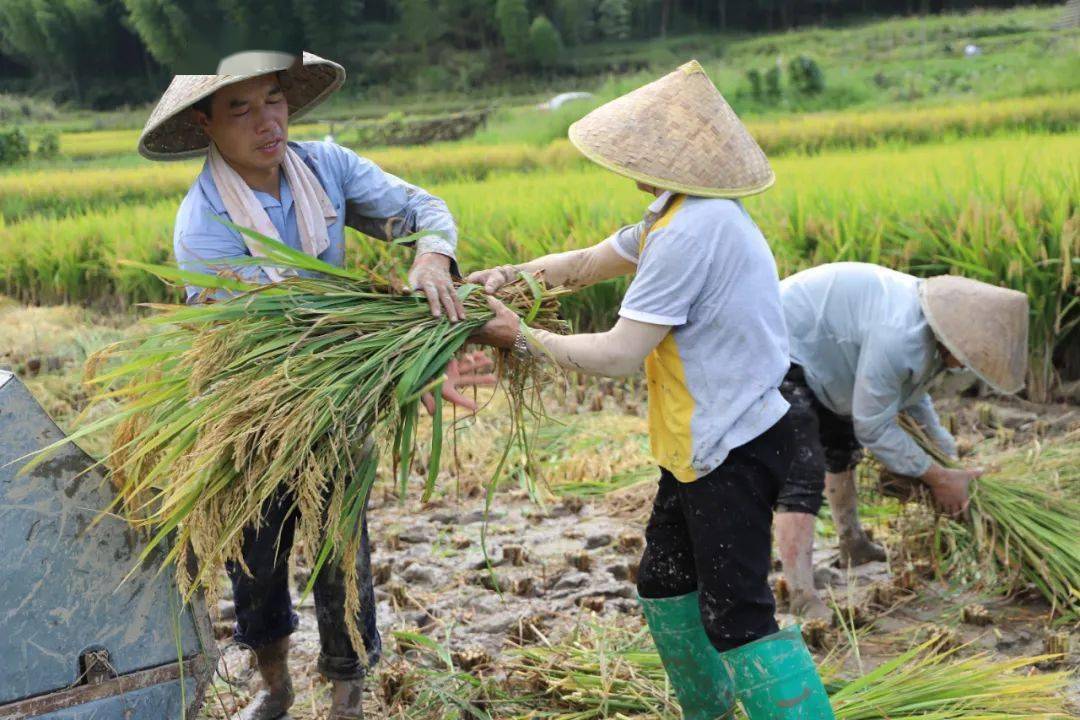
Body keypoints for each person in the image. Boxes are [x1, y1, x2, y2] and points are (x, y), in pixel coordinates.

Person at [471, 60, 836, 720]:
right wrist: (508, 279)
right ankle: (710, 712)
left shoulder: (694, 233)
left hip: (734, 445)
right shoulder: (675, 211)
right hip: (697, 444)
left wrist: (520, 336)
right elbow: (587, 263)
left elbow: (618, 353)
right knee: (664, 584)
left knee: (739, 618)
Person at [138, 50, 493, 720]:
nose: (265, 120)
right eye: (239, 108)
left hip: (338, 399)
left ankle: (348, 695)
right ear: (207, 125)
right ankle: (274, 685)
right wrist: (400, 362)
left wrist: (432, 255)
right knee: (258, 554)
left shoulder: (326, 167)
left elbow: (423, 207)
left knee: (342, 546)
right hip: (252, 403)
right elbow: (263, 337)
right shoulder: (205, 221)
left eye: (273, 99)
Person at [772, 262, 1029, 619]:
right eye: (970, 357)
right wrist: (938, 478)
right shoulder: (902, 336)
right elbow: (873, 427)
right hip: (780, 346)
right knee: (804, 471)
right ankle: (800, 593)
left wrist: (947, 458)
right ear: (955, 337)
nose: (965, 366)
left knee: (842, 449)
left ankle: (852, 544)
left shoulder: (931, 338)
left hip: (830, 359)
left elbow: (913, 400)